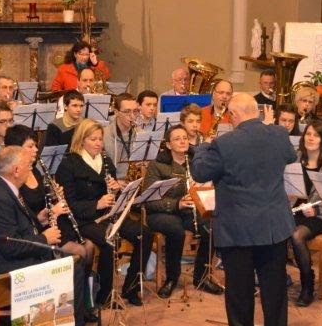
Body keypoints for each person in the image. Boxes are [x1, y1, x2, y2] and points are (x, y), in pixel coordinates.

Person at [191, 93, 297, 326]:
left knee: (240, 285)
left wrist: (203, 146)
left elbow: (200, 173)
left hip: (238, 225)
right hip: (273, 223)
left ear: (234, 115)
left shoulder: (224, 144)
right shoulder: (279, 135)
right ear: (257, 112)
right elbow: (291, 157)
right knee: (274, 283)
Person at [0, 146, 93, 326]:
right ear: (16, 170)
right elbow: (10, 245)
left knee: (73, 260)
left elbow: (19, 228)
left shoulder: (5, 187)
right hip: (8, 266)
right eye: (28, 165)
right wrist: (45, 238)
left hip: (19, 256)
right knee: (73, 266)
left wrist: (41, 219)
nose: (30, 169)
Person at [55, 120, 148, 306]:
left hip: (108, 215)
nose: (98, 143)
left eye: (100, 139)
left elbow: (113, 192)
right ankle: (104, 296)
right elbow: (68, 203)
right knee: (109, 241)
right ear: (82, 141)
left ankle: (130, 288)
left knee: (144, 234)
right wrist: (96, 204)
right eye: (93, 139)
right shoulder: (69, 164)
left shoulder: (105, 160)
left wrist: (116, 189)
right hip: (84, 219)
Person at [143, 125, 221, 298]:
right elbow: (149, 201)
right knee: (175, 230)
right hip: (162, 212)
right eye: (177, 138)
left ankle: (201, 276)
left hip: (189, 210)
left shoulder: (196, 161)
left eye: (185, 137)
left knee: (212, 227)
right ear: (168, 145)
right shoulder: (157, 165)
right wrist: (177, 204)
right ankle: (171, 278)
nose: (183, 141)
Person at [289, 123, 322, 307]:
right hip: (294, 211)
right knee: (274, 228)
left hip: (319, 216)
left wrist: (317, 210)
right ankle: (277, 280)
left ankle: (307, 285)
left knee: (297, 235)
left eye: (316, 135)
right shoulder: (295, 158)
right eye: (308, 134)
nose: (311, 138)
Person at [102, 93, 138, 179]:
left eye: (135, 111)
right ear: (116, 112)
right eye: (127, 112)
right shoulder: (103, 135)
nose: (132, 116)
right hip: (113, 184)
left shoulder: (140, 134)